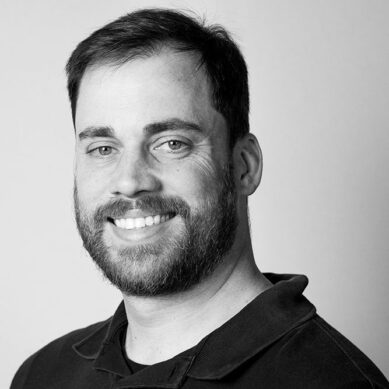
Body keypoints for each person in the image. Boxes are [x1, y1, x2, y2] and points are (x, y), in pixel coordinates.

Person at [11, 8, 388, 389]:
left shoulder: (331, 381)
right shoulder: (41, 375)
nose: (129, 182)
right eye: (103, 148)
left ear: (244, 166)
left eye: (171, 143)